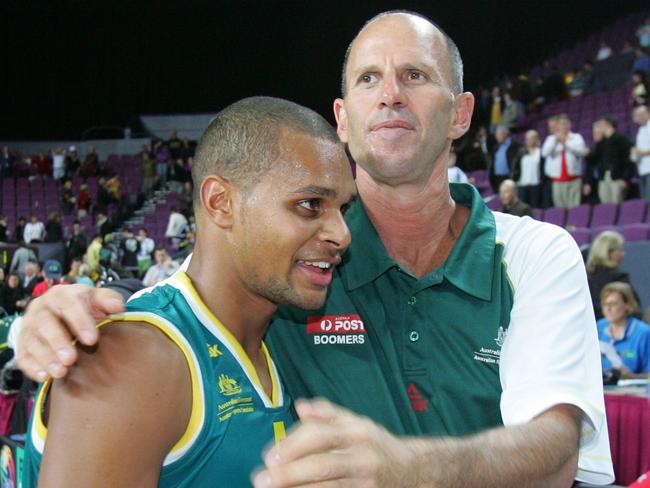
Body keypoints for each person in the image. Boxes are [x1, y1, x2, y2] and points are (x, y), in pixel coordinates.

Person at [14, 11, 613, 487]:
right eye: (368, 78)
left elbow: (556, 452)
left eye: (416, 75)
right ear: (343, 118)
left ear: (461, 114)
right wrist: (44, 324)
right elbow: (172, 320)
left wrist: (408, 471)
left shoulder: (533, 252)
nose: (391, 96)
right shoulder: (294, 269)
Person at [20, 97, 356, 487]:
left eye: (343, 209)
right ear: (220, 202)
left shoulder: (273, 342)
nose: (342, 234)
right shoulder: (136, 360)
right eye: (310, 204)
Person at [597, 282, 650, 379]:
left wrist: (631, 376)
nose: (608, 309)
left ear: (627, 305)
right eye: (604, 304)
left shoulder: (643, 333)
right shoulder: (598, 327)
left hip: (633, 391)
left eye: (613, 304)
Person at [587, 230, 636, 320]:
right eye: (620, 249)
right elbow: (633, 306)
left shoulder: (586, 276)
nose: (623, 254)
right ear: (610, 252)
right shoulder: (619, 277)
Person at [542, 113, 587, 209]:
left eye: (565, 123)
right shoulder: (551, 139)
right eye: (561, 124)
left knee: (574, 207)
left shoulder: (576, 137)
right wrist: (555, 141)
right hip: (557, 180)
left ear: (569, 125)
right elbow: (544, 153)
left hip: (574, 178)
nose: (563, 126)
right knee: (560, 208)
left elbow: (581, 151)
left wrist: (566, 143)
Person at [584, 116, 633, 204]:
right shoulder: (601, 143)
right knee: (605, 205)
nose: (599, 128)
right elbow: (594, 161)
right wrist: (588, 155)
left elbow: (627, 161)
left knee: (617, 204)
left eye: (601, 125)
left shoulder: (621, 140)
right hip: (603, 178)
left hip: (617, 177)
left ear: (608, 125)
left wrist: (625, 179)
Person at [516, 129, 542, 208]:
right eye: (527, 139)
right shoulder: (521, 152)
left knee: (535, 207)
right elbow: (516, 167)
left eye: (531, 138)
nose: (529, 141)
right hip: (522, 184)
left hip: (536, 184)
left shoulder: (540, 152)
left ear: (536, 139)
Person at [633, 105, 650, 202]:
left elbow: (643, 151)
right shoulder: (640, 130)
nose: (639, 117)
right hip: (642, 169)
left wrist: (643, 152)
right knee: (645, 202)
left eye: (641, 114)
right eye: (637, 115)